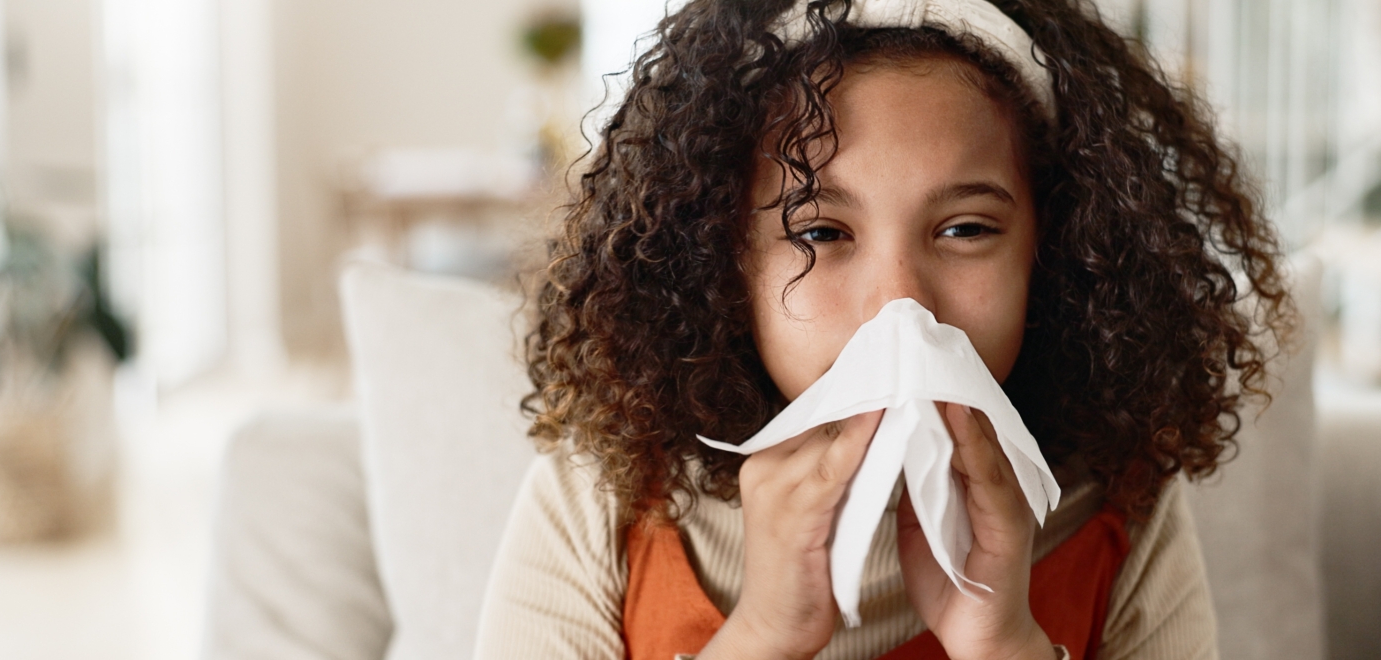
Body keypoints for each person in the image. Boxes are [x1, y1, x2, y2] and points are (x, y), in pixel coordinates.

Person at [477, 0, 1291, 658]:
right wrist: (764, 633)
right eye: (822, 233)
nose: (901, 307)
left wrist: (1003, 642)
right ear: (722, 264)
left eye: (966, 230)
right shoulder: (605, 494)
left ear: (1054, 255)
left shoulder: (1123, 506)